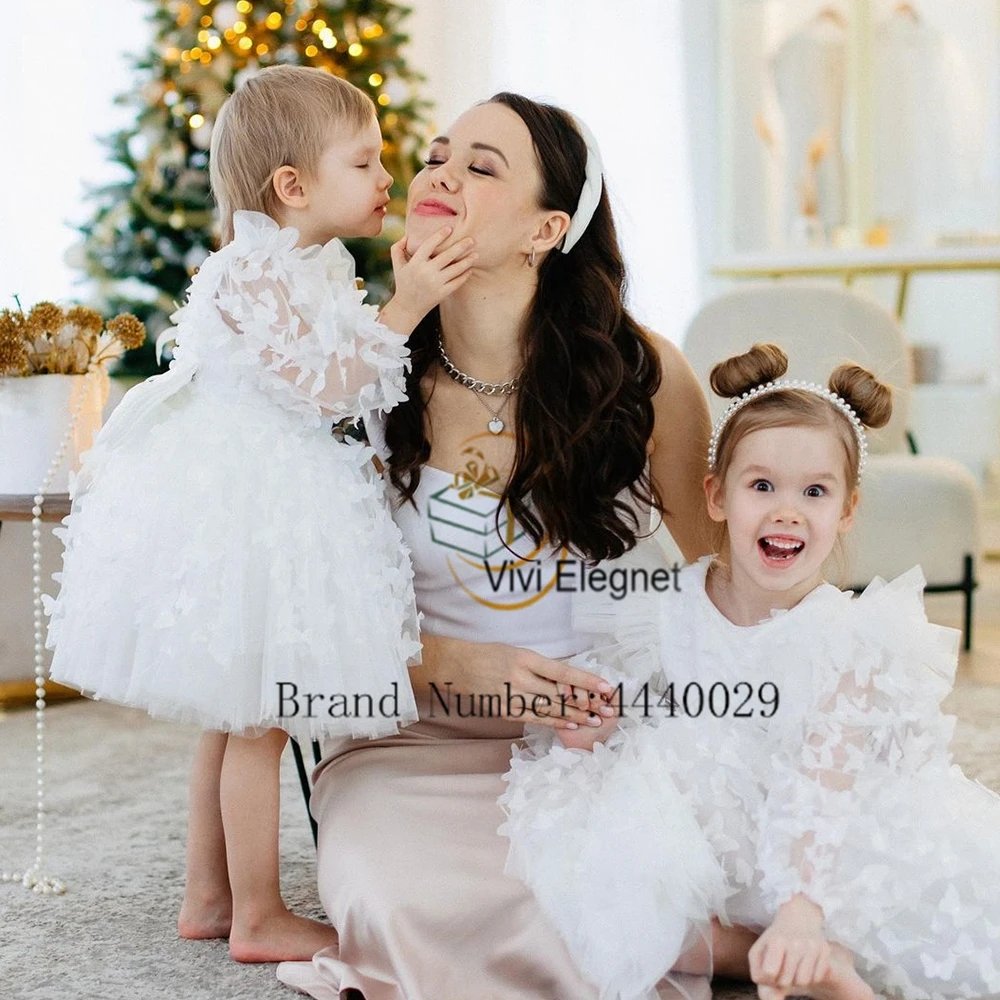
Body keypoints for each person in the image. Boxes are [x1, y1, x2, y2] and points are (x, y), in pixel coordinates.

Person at [275, 93, 720, 1000]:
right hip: (411, 738)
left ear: (546, 229)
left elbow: (722, 576)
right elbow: (301, 619)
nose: (438, 173)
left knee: (641, 889)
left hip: (598, 734)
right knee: (411, 910)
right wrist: (448, 662)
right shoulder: (362, 370)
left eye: (481, 166)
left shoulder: (644, 373)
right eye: (436, 156)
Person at [43, 65, 475, 963]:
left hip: (277, 492)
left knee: (233, 711)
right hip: (251, 507)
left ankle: (209, 897)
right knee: (263, 717)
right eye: (366, 162)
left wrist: (384, 306)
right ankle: (259, 914)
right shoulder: (251, 271)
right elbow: (324, 390)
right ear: (294, 185)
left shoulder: (312, 265)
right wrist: (409, 306)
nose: (388, 179)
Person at [500, 343, 1000, 1000]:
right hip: (710, 831)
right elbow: (631, 697)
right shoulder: (664, 608)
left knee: (904, 903)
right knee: (599, 904)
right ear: (716, 497)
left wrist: (800, 909)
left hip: (818, 831)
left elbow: (824, 789)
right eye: (761, 486)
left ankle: (820, 949)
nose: (786, 510)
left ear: (845, 511)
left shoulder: (851, 638)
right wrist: (594, 724)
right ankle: (762, 953)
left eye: (814, 492)